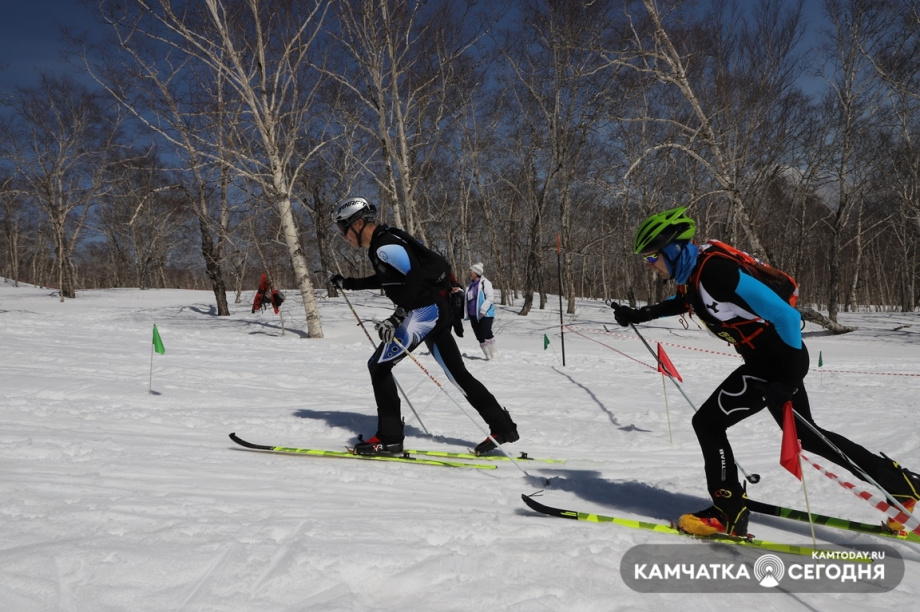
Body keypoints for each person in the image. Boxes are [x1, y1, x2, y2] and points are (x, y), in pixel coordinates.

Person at [612, 206, 920, 537]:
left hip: (776, 360)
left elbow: (786, 317)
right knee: (806, 437)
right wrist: (640, 315)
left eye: (651, 257)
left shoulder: (715, 272)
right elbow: (687, 301)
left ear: (672, 249)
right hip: (771, 360)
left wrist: (787, 379)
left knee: (707, 423)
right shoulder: (692, 272)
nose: (649, 265)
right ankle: (899, 484)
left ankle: (727, 511)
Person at [329, 197, 519, 455]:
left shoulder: (383, 246)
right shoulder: (384, 242)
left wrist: (398, 315)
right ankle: (503, 427)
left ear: (358, 223)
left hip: (425, 312)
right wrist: (349, 283)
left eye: (342, 229)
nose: (343, 236)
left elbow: (415, 275)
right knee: (458, 374)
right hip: (434, 311)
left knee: (379, 366)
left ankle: (390, 437)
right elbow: (390, 279)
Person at [462, 262, 498, 360]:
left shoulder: (485, 283)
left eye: (471, 271)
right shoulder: (469, 285)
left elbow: (490, 298)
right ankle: (487, 355)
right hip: (473, 314)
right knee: (479, 335)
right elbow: (468, 298)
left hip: (485, 314)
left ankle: (494, 354)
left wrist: (483, 310)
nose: (469, 273)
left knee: (486, 332)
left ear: (477, 273)